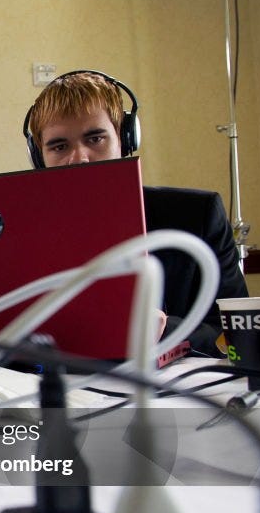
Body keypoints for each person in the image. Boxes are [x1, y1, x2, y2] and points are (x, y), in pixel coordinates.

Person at [23, 70, 248, 357]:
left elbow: (237, 333)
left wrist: (168, 329)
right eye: (59, 145)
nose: (78, 157)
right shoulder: (21, 232)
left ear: (124, 140)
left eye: (95, 138)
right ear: (38, 157)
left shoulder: (197, 216)